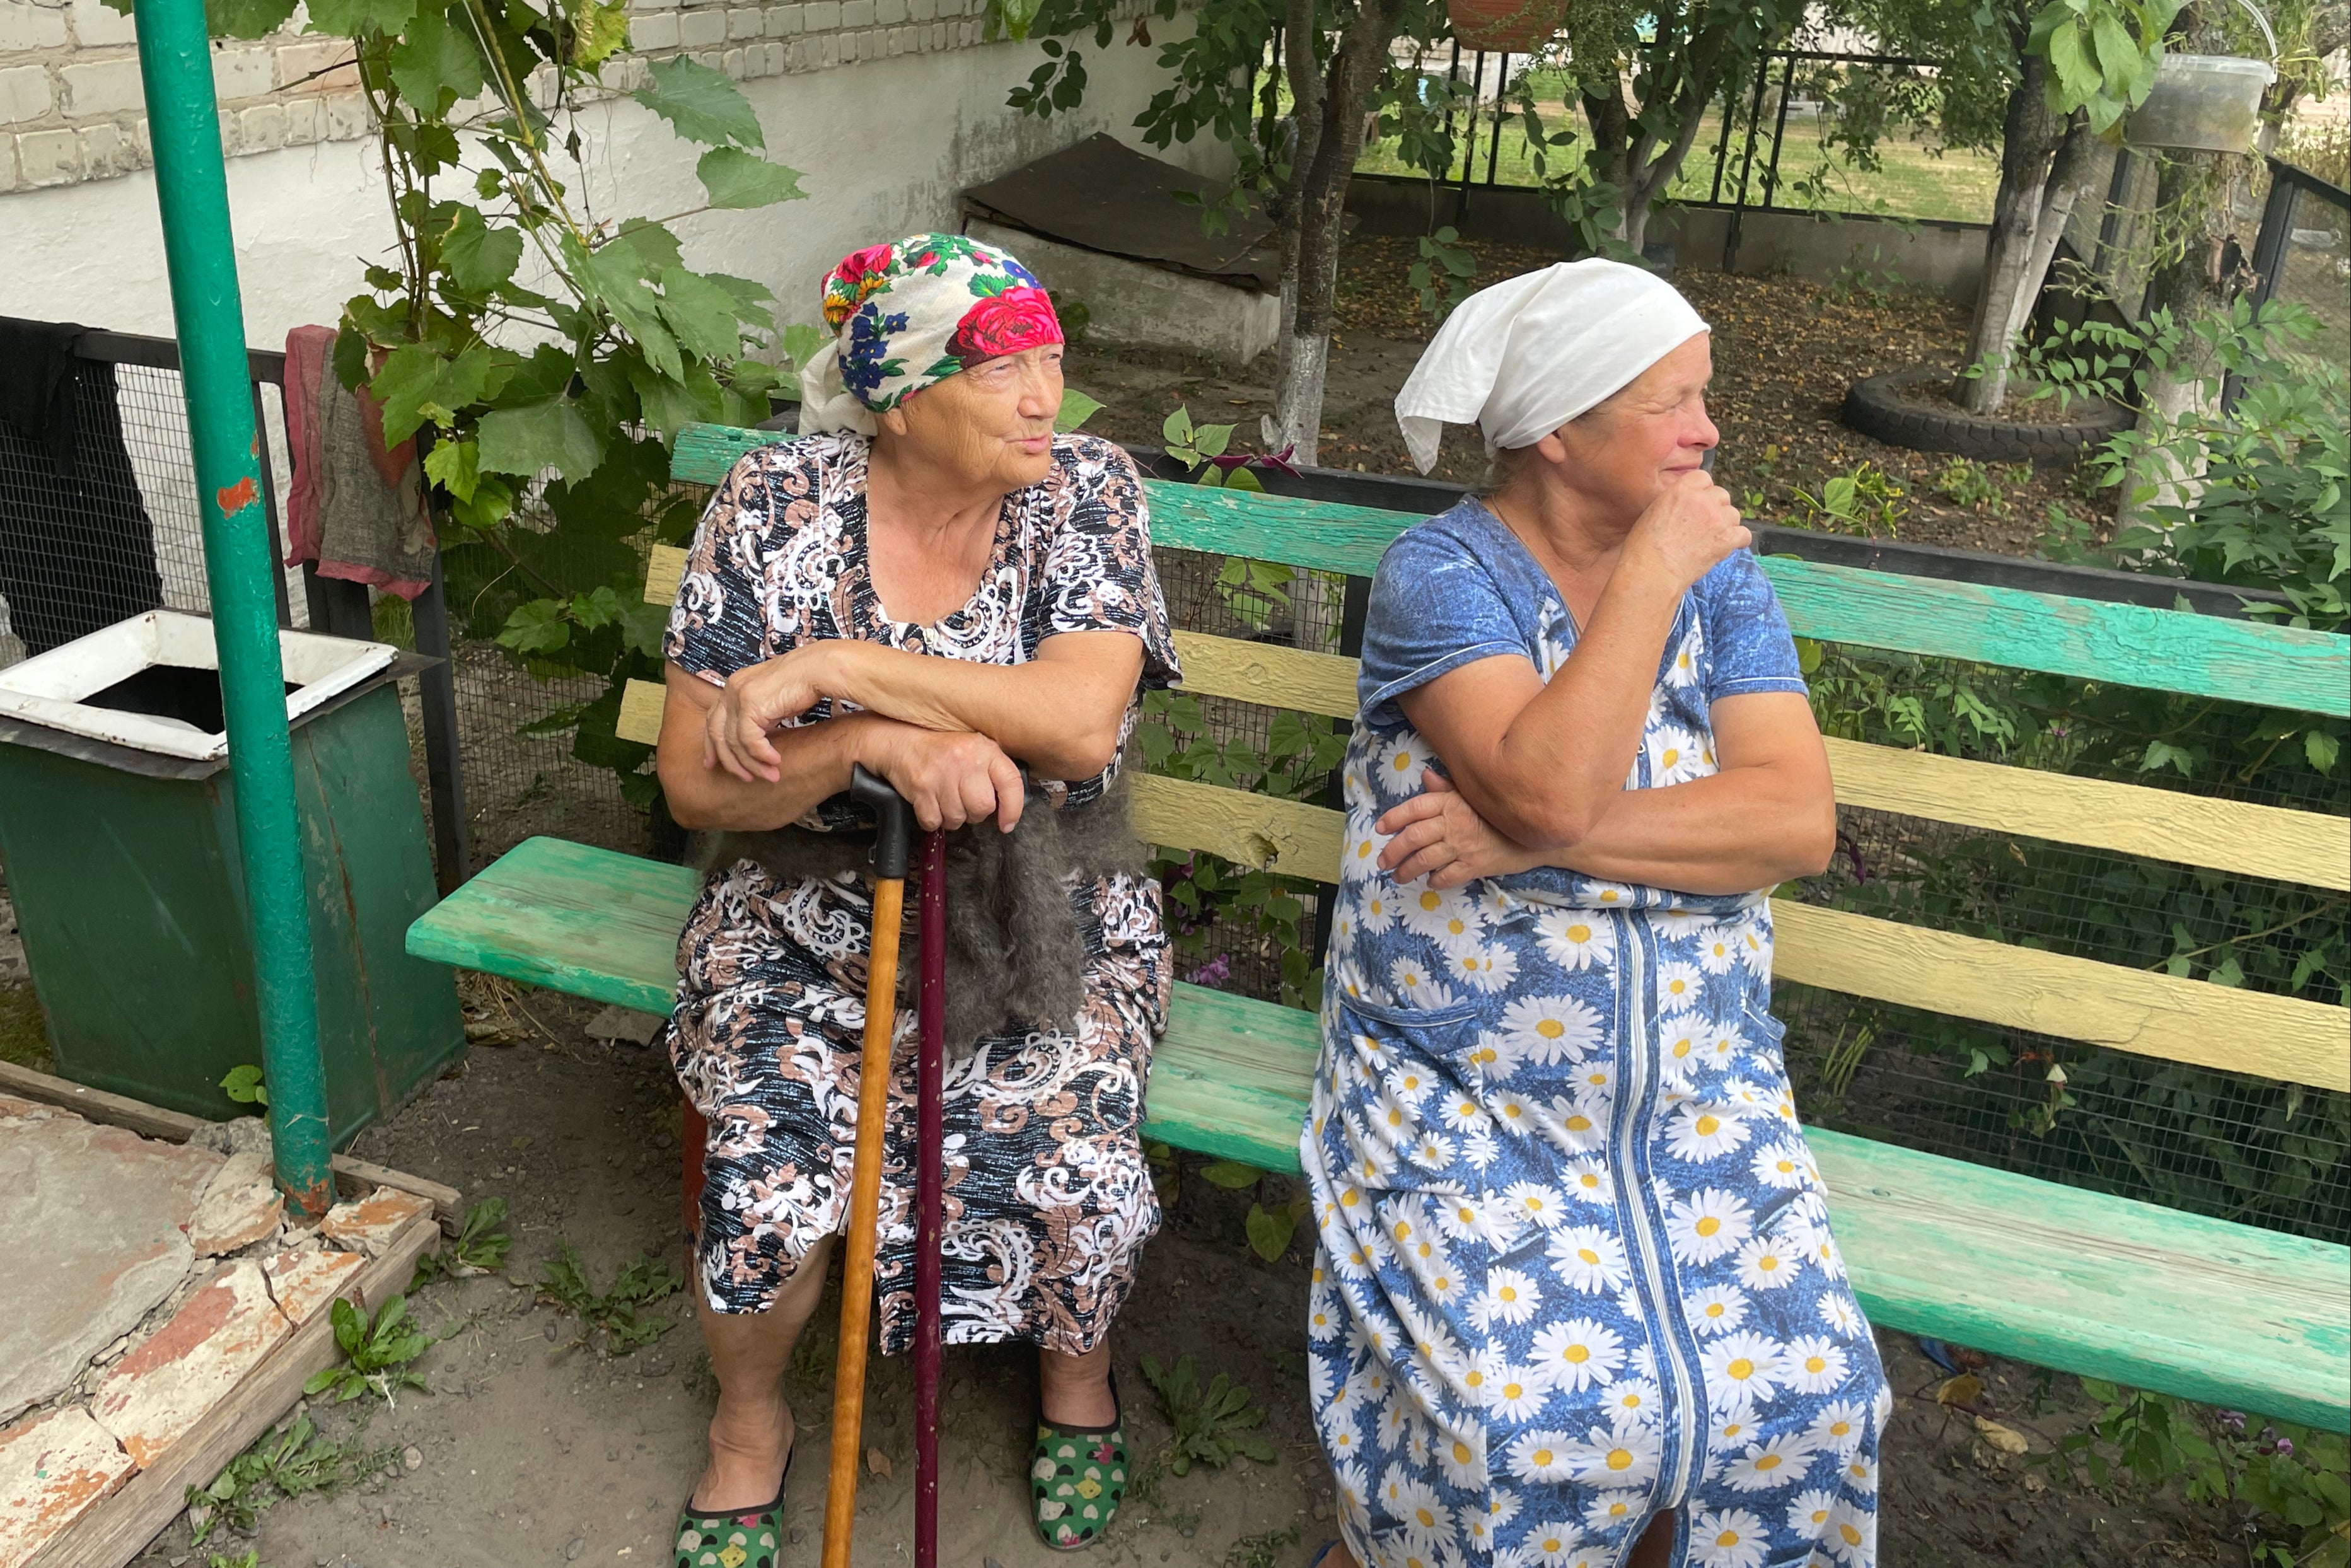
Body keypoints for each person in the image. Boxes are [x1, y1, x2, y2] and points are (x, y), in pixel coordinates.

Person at [1301, 259, 1891, 1568]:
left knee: (1809, 1401)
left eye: (1705, 400)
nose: (1709, 432)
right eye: (1673, 403)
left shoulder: (1724, 581)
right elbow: (1548, 779)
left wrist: (1513, 843)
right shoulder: (1440, 572)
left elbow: (1790, 823)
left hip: (1694, 1088)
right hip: (1460, 1087)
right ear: (1559, 433)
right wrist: (1645, 583)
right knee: (1523, 1416)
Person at [654, 233, 1179, 1562]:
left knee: (1065, 1145)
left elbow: (1070, 723)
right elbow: (698, 787)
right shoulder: (772, 501)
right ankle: (749, 1420)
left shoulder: (1089, 493)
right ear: (898, 394)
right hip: (803, 922)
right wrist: (864, 747)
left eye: (1051, 358)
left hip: (1039, 919)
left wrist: (840, 665)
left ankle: (1074, 1375)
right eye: (1002, 367)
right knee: (768, 1181)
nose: (1044, 396)